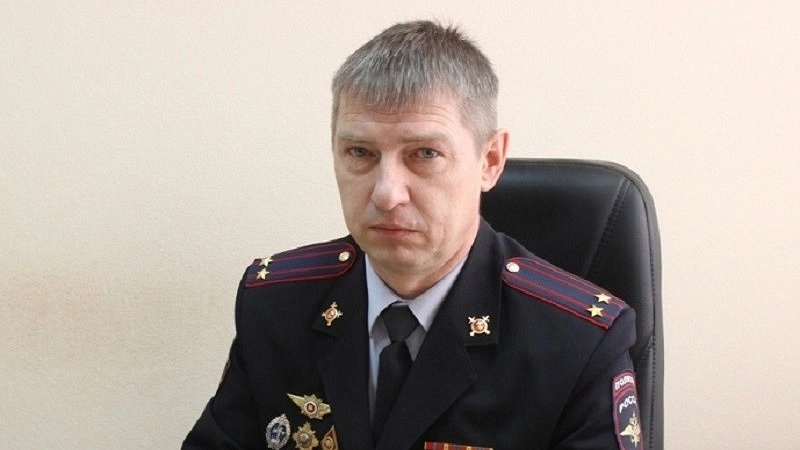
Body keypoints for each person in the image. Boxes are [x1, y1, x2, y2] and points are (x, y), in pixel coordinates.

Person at [183, 20, 642, 450]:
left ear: (490, 161)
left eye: (424, 153)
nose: (386, 194)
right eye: (359, 152)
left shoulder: (576, 342)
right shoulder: (276, 305)